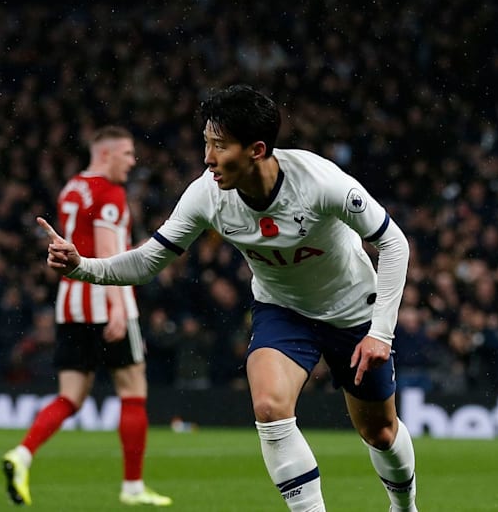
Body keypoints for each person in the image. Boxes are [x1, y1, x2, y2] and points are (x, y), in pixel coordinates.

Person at [37, 86, 418, 512]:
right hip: (283, 310)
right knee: (270, 407)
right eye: (206, 143)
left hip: (353, 313)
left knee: (380, 433)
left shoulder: (320, 182)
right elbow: (148, 262)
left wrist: (381, 333)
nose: (207, 158)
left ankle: (404, 507)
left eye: (219, 146)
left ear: (256, 149)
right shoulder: (207, 194)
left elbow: (394, 244)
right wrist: (81, 266)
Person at [2, 126, 172, 507]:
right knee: (133, 392)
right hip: (106, 298)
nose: (132, 162)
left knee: (70, 396)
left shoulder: (72, 188)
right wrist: (115, 306)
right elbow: (110, 251)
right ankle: (132, 486)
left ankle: (23, 453)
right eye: (127, 154)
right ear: (107, 154)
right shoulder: (110, 193)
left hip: (70, 301)